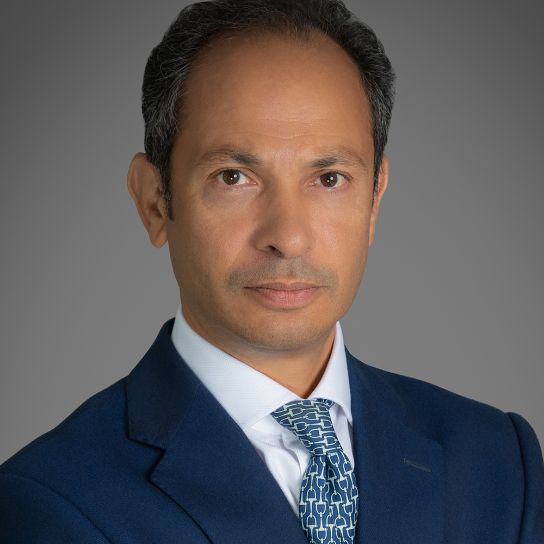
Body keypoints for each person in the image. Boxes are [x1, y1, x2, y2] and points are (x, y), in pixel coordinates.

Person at [1, 0, 542, 542]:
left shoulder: (499, 463)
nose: (288, 237)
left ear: (375, 198)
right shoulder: (49, 504)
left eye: (329, 179)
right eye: (233, 177)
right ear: (155, 201)